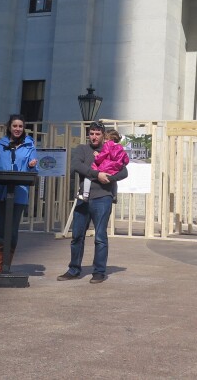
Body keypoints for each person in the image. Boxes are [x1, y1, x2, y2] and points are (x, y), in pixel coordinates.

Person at [58, 121, 128, 284]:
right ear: (88, 135)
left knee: (100, 237)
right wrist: (97, 174)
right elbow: (76, 165)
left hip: (103, 197)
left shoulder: (111, 148)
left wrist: (109, 178)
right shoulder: (82, 149)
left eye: (97, 133)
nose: (94, 136)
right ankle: (74, 269)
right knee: (77, 236)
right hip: (84, 197)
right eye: (91, 133)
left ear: (103, 135)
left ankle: (99, 272)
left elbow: (124, 171)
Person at [0, 114, 38, 273]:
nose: (17, 129)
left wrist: (31, 165)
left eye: (20, 126)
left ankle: (7, 265)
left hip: (19, 193)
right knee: (0, 228)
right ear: (9, 127)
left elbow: (34, 169)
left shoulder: (30, 146)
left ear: (24, 128)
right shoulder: (0, 144)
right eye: (15, 126)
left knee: (12, 230)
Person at [79, 129, 129, 202]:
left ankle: (85, 195)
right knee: (114, 181)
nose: (104, 141)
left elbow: (103, 155)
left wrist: (97, 157)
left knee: (88, 177)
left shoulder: (107, 145)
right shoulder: (121, 147)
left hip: (106, 166)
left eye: (106, 139)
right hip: (115, 168)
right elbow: (126, 159)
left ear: (110, 139)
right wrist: (121, 164)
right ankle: (114, 195)